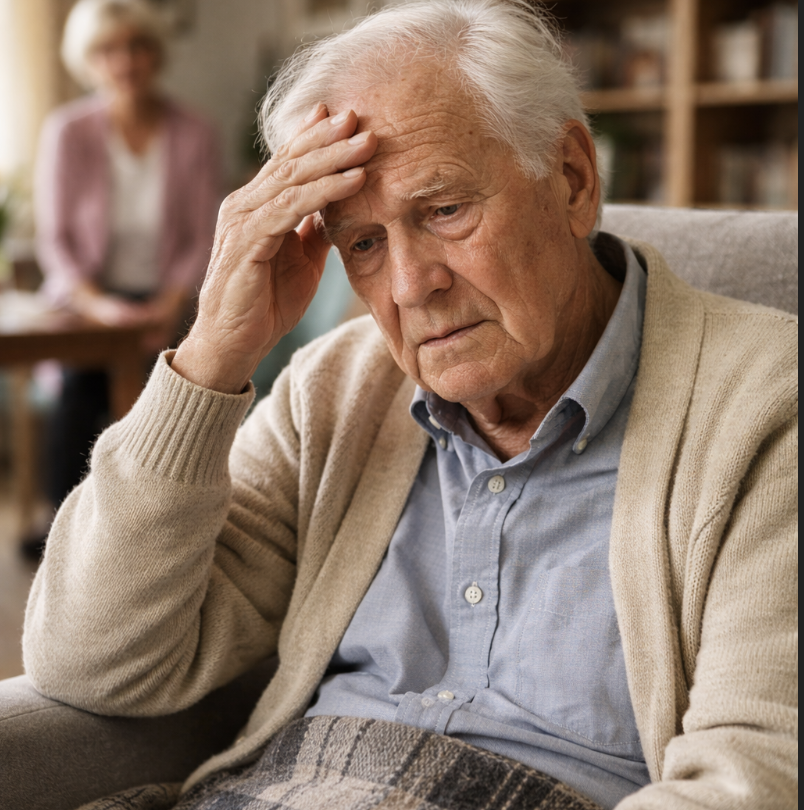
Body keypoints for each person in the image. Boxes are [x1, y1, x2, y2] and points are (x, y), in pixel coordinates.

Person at [22, 2, 796, 809]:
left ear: (572, 177)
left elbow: (756, 778)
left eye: (445, 210)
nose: (408, 285)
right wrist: (212, 354)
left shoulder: (765, 404)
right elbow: (90, 662)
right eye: (363, 242)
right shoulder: (336, 392)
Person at [32, 0, 220, 548]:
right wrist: (98, 306)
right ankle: (63, 530)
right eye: (108, 50)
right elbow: (56, 242)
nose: (125, 61)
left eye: (137, 46)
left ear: (155, 53)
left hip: (170, 296)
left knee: (169, 390)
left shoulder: (195, 132)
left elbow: (203, 236)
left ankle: (147, 532)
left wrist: (166, 304)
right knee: (80, 383)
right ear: (89, 61)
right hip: (87, 301)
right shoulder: (67, 132)